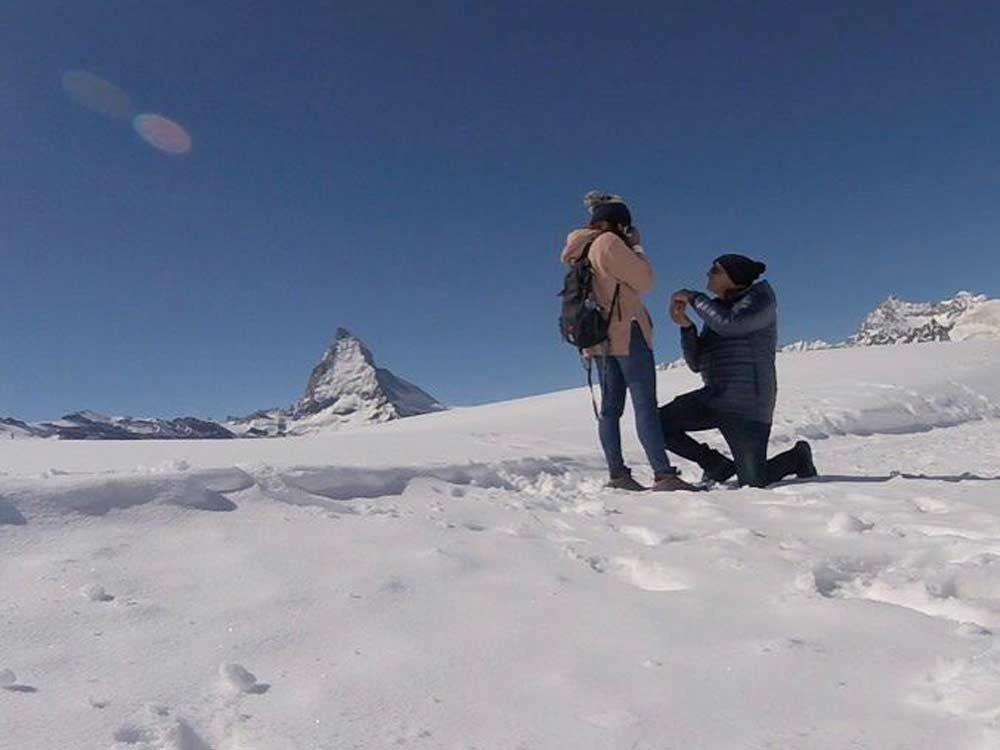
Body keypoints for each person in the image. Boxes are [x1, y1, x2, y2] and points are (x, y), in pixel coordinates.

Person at [561, 192, 697, 492]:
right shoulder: (608, 244)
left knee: (610, 409)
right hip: (626, 333)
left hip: (598, 340)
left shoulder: (579, 251)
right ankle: (663, 474)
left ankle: (618, 474)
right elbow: (645, 280)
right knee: (644, 404)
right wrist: (635, 246)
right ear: (620, 224)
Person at [660, 254, 817, 488]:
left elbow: (732, 324)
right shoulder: (717, 310)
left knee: (754, 481)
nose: (708, 275)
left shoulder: (761, 300)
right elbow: (695, 363)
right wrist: (687, 327)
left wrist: (694, 298)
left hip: (748, 406)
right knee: (656, 424)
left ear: (734, 276)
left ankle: (797, 457)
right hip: (714, 398)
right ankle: (715, 464)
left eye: (715, 271)